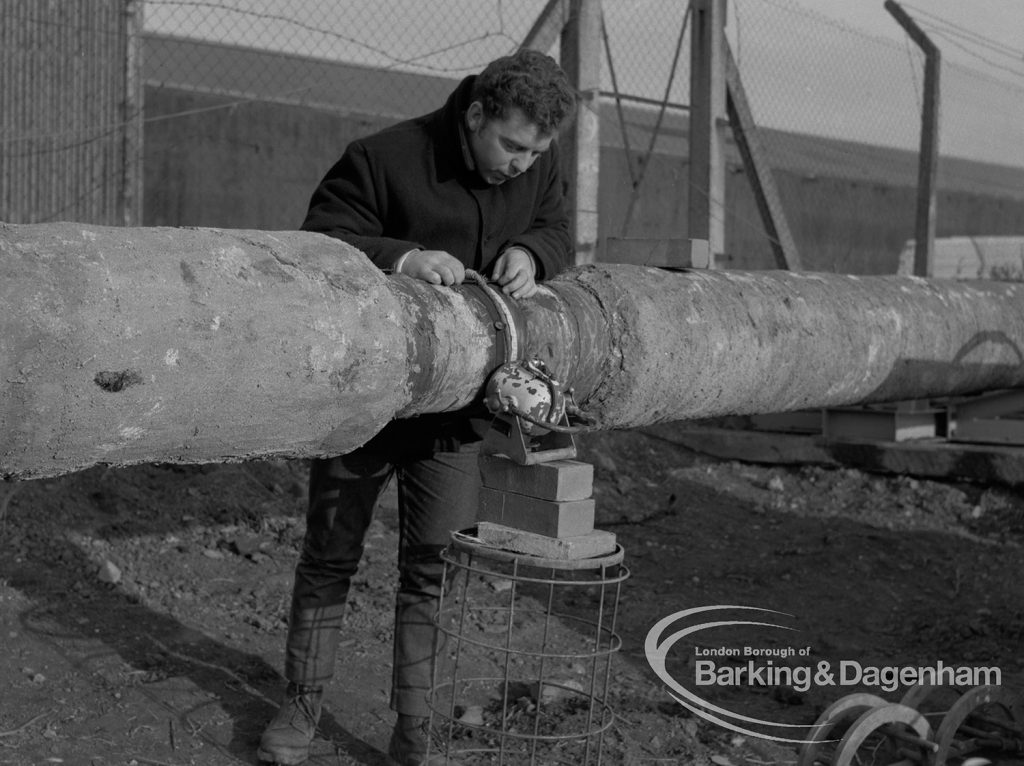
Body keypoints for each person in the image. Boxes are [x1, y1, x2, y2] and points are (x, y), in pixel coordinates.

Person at [257, 49, 577, 766]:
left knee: (436, 565)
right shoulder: (382, 157)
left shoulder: (538, 166)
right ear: (474, 115)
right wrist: (402, 258)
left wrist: (535, 251)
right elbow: (322, 240)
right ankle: (300, 708)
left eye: (536, 153)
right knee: (330, 556)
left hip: (461, 417)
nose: (522, 165)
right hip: (364, 404)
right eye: (512, 146)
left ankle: (416, 728)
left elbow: (557, 227)